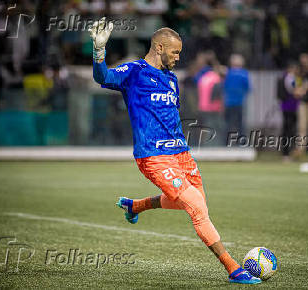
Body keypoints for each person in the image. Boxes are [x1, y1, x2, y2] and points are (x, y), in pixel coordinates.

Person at [90, 18, 260, 284]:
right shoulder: (134, 71)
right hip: (153, 156)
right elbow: (103, 77)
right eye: (175, 51)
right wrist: (99, 53)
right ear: (159, 47)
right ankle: (234, 269)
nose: (178, 57)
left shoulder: (170, 79)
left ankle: (135, 206)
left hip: (181, 154)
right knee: (195, 207)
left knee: (195, 202)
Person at [277, 62, 305, 161]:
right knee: (289, 131)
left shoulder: (284, 78)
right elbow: (296, 91)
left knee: (288, 130)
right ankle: (287, 153)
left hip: (287, 107)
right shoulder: (291, 78)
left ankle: (287, 152)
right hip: (290, 107)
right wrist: (302, 90)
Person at [223, 54, 250, 140]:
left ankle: (227, 141)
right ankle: (241, 141)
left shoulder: (228, 73)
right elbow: (247, 88)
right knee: (240, 124)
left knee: (228, 123)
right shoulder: (244, 74)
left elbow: (225, 86)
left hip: (229, 102)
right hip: (239, 102)